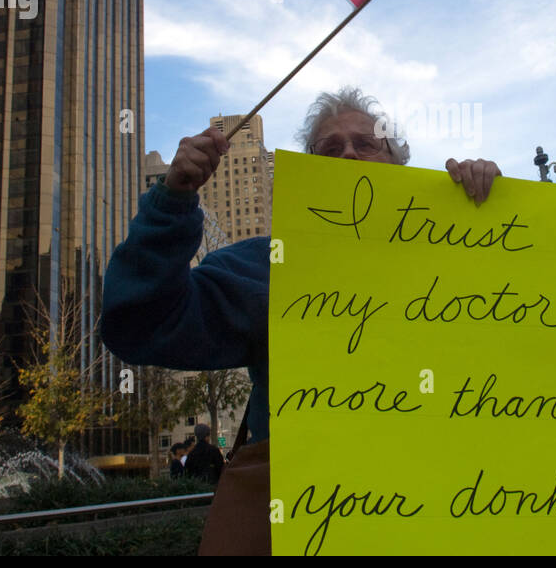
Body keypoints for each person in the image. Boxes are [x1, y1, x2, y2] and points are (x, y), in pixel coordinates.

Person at [101, 87, 503, 443]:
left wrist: (492, 214)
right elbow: (140, 326)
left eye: (366, 143)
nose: (347, 153)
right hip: (313, 512)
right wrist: (172, 201)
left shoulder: (459, 254)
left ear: (399, 165)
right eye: (329, 148)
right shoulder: (262, 266)